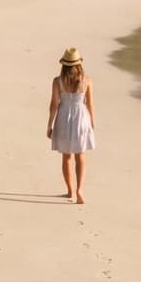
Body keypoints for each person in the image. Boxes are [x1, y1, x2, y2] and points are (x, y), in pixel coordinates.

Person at [47, 47, 97, 203]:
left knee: (66, 157)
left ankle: (70, 191)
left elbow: (54, 104)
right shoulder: (86, 80)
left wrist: (49, 124)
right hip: (81, 117)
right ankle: (79, 189)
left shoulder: (58, 81)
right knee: (80, 155)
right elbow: (90, 104)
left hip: (63, 117)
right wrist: (92, 122)